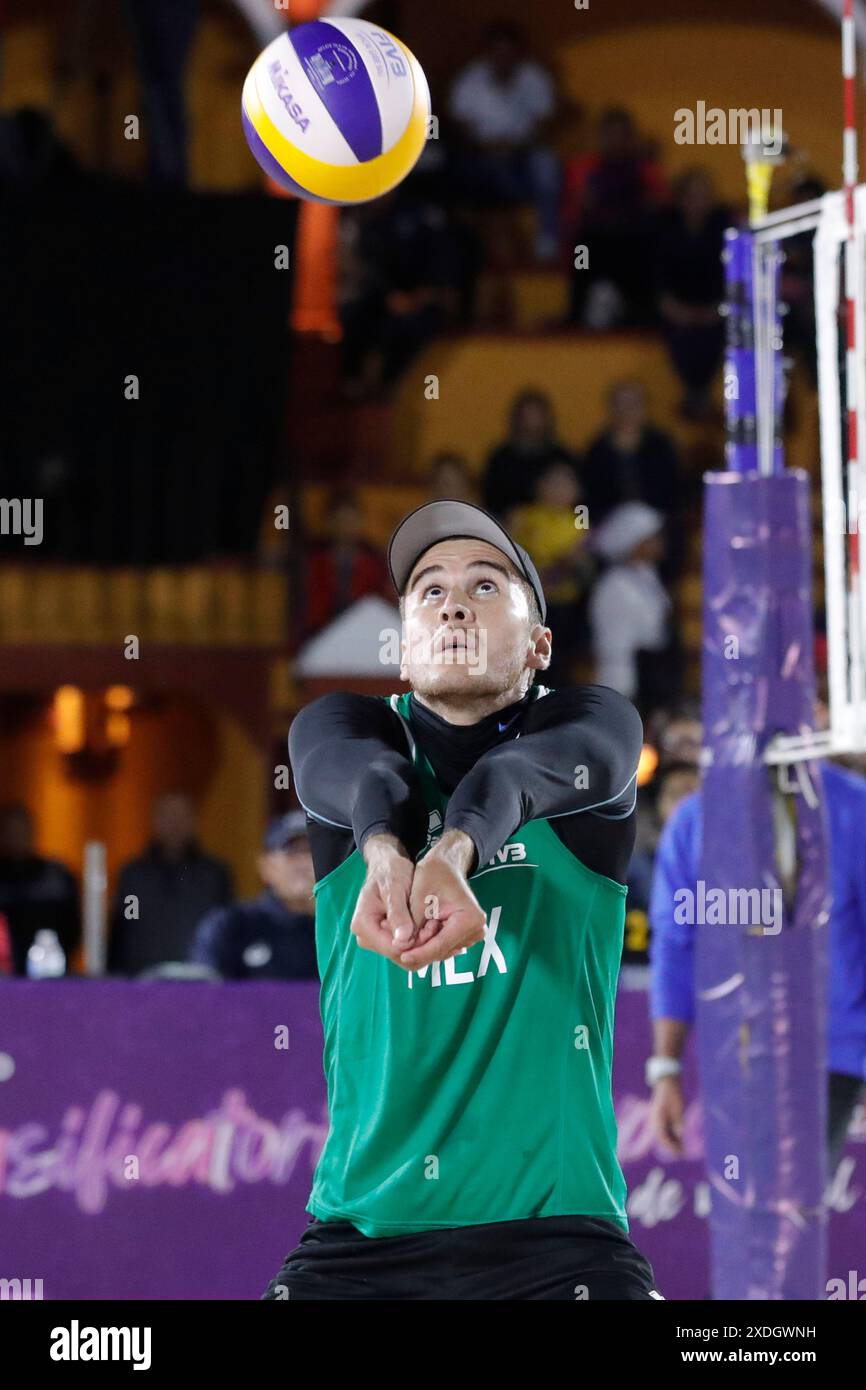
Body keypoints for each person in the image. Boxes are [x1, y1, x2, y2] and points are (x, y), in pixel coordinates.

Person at [262, 498, 662, 1300]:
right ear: (405, 648)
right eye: (429, 590)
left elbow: (517, 776)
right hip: (360, 1242)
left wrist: (454, 853)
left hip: (560, 1242)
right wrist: (383, 852)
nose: (452, 600)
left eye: (486, 586)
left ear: (539, 645)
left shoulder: (594, 727)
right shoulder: (342, 728)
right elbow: (370, 781)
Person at [648, 761, 866, 1175]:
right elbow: (674, 948)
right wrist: (665, 1069)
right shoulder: (693, 820)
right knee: (746, 1209)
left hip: (825, 1053)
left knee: (783, 1202)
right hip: (734, 1050)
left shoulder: (853, 808)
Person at [448, 22, 560, 262]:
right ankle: (462, 247)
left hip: (522, 155)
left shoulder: (534, 78)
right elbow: (460, 123)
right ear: (488, 53)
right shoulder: (471, 79)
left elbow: (545, 122)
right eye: (497, 52)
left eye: (509, 52)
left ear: (519, 53)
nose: (503, 58)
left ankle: (547, 239)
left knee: (547, 165)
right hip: (480, 154)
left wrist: (515, 145)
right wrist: (486, 145)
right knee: (452, 166)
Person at [107, 792, 233, 977]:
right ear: (154, 821)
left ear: (193, 821)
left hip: (200, 984)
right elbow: (120, 933)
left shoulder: (215, 874)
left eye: (182, 816)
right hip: (140, 983)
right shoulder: (133, 875)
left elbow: (226, 931)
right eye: (167, 815)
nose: (174, 823)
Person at [563, 109, 667, 327]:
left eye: (621, 136)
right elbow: (584, 205)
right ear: (600, 137)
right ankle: (577, 311)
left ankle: (641, 312)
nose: (615, 142)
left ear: (630, 138)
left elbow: (656, 206)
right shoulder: (584, 166)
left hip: (631, 240)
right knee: (580, 254)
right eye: (610, 135)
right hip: (594, 240)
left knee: (650, 247)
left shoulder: (644, 168)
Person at [190, 812, 316, 980]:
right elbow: (203, 997)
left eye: (312, 851)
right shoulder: (230, 926)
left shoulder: (348, 929)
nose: (303, 862)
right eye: (291, 851)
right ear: (266, 866)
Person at [580, 380, 684, 578]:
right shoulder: (595, 452)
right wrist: (581, 533)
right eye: (620, 404)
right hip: (609, 539)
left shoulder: (661, 447)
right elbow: (581, 505)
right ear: (610, 408)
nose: (627, 411)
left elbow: (676, 496)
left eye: (634, 404)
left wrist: (659, 535)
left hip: (657, 533)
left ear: (645, 408)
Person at [588, 501, 681, 709]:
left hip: (655, 674)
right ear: (633, 542)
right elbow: (614, 647)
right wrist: (622, 698)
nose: (660, 542)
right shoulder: (615, 585)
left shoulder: (648, 575)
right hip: (629, 682)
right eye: (652, 538)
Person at [509, 458, 594, 686]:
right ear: (539, 485)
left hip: (567, 603)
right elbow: (511, 552)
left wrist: (573, 561)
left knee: (561, 661)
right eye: (553, 482)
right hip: (531, 601)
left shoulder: (579, 515)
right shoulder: (523, 515)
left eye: (566, 483)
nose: (559, 489)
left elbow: (586, 550)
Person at [656, 169, 729, 420]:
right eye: (693, 195)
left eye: (704, 195)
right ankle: (693, 393)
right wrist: (674, 309)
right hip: (675, 310)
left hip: (715, 309)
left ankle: (703, 394)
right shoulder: (664, 227)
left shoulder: (724, 226)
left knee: (717, 334)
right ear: (681, 198)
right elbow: (655, 274)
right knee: (681, 335)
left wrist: (718, 309)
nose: (699, 201)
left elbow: (731, 274)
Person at [300, 489, 393, 640]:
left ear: (360, 521)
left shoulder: (375, 562)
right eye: (340, 520)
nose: (345, 527)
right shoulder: (313, 562)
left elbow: (380, 605)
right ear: (329, 522)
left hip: (366, 634)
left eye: (350, 521)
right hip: (321, 633)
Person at [0, 804, 80, 975]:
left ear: (31, 832)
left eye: (20, 830)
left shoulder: (57, 877)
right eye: (10, 831)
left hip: (50, 973)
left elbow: (74, 928)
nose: (16, 836)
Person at [482, 389, 579, 522]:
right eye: (526, 416)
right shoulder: (500, 459)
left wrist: (582, 532)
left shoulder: (562, 457)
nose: (531, 423)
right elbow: (489, 502)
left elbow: (582, 506)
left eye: (536, 416)